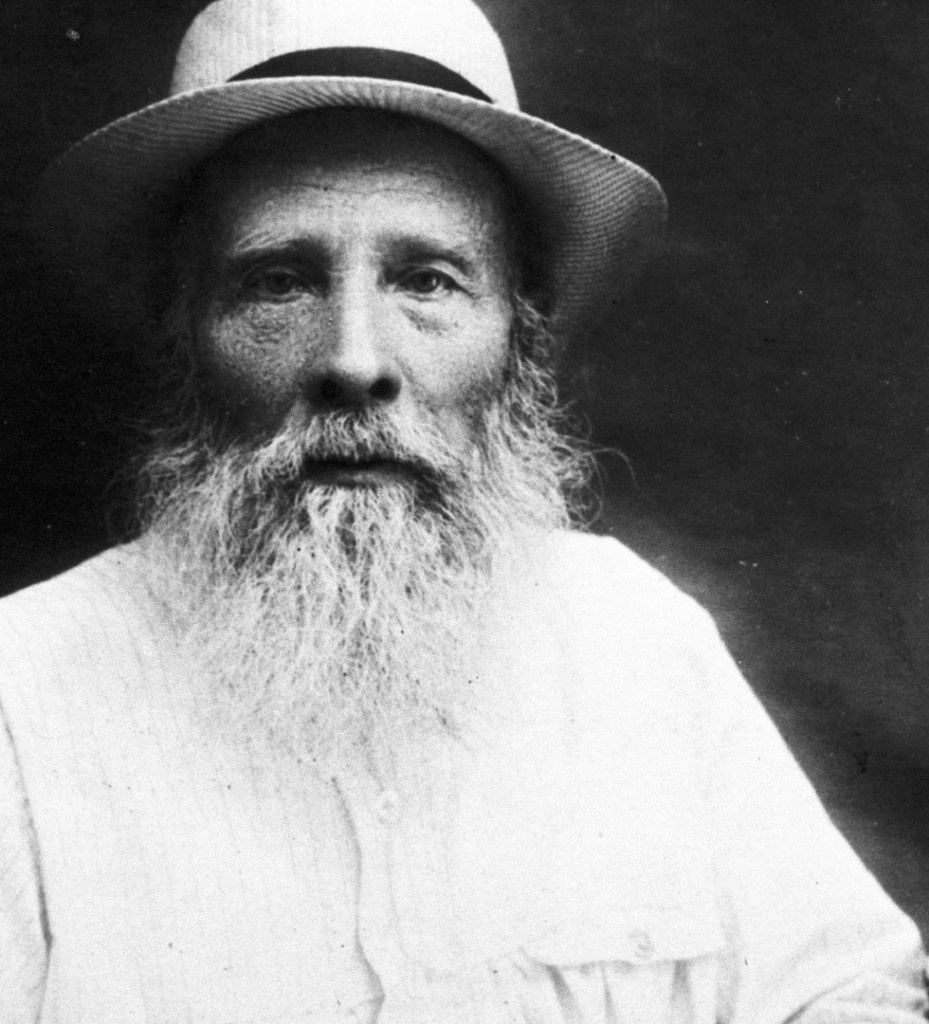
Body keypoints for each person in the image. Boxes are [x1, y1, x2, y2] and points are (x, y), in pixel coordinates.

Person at [1, 0, 925, 1020]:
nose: (354, 360)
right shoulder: (23, 693)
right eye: (278, 282)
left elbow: (845, 993)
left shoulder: (634, 637)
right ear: (184, 334)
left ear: (517, 337)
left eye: (427, 281)